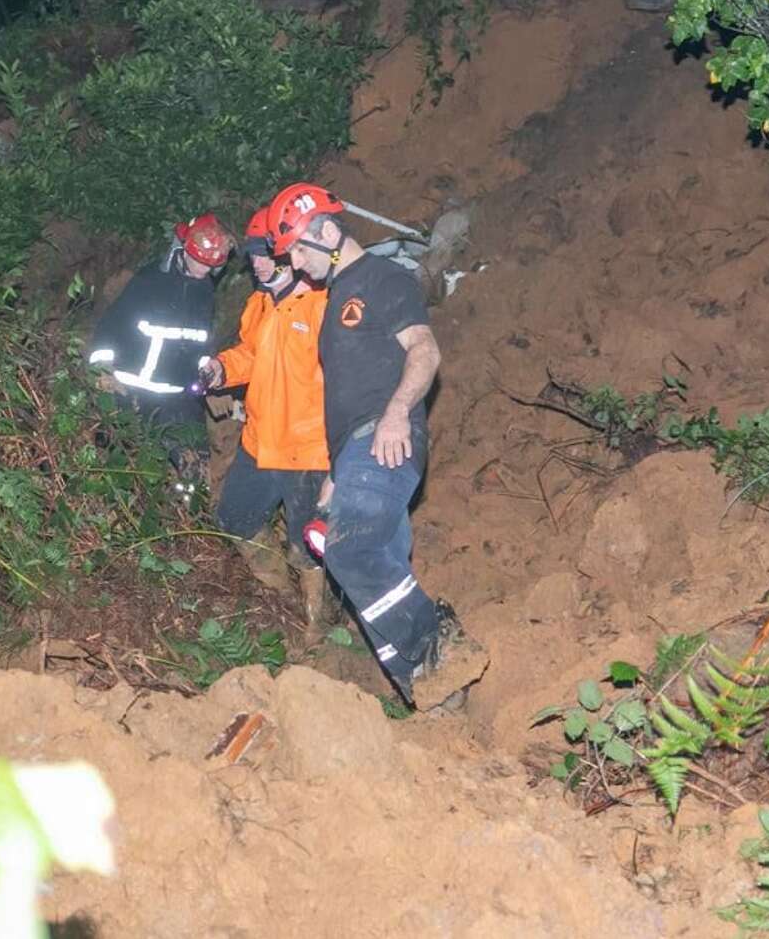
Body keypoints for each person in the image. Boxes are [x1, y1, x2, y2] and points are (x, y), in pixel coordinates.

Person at [266, 182, 482, 707]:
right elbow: (348, 394)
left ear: (328, 232)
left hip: (384, 439)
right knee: (374, 575)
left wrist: (396, 414)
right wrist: (335, 476)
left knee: (351, 549)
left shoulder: (383, 277)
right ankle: (433, 697)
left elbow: (425, 351)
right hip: (355, 454)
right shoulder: (335, 298)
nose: (294, 263)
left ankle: (441, 646)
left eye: (298, 248)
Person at [199, 206, 331, 609]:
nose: (255, 263)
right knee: (235, 519)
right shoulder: (259, 304)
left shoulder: (322, 305)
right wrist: (221, 369)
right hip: (260, 443)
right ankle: (284, 598)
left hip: (307, 450)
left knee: (308, 547)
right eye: (252, 254)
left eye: (265, 253)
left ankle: (318, 625)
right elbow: (252, 355)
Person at [86, 214, 231, 490]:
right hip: (129, 391)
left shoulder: (206, 293)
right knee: (118, 468)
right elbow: (111, 326)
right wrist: (102, 371)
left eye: (211, 265)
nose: (203, 270)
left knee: (194, 472)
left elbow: (198, 341)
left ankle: (185, 524)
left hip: (177, 398)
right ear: (183, 249)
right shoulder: (149, 282)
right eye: (200, 261)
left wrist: (207, 371)